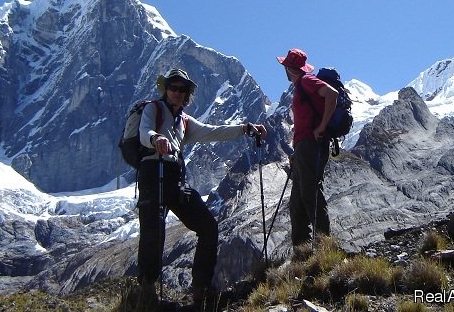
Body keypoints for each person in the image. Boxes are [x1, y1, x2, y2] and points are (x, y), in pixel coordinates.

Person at [137, 68, 266, 308]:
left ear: (187, 94)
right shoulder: (152, 109)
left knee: (208, 226)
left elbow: (213, 132)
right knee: (153, 233)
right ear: (165, 89)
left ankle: (201, 290)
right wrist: (157, 139)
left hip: (174, 177)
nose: (176, 92)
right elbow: (144, 132)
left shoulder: (184, 121)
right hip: (152, 174)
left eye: (181, 89)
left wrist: (245, 128)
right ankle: (146, 293)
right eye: (173, 87)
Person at [277, 49, 338, 247]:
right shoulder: (301, 85)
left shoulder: (306, 81)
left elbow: (332, 94)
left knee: (310, 191)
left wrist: (321, 127)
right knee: (297, 199)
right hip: (303, 146)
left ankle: (323, 245)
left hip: (311, 144)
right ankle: (301, 250)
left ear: (289, 68)